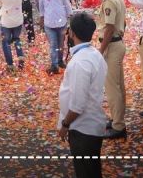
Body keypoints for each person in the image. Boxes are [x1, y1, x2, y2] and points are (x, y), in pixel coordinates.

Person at [57, 12, 107, 178]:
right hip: (91, 125)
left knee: (86, 172)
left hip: (83, 129)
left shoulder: (81, 62)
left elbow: (78, 105)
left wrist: (65, 124)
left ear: (72, 33)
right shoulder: (94, 54)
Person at [96, 0, 127, 140]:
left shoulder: (109, 0)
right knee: (118, 86)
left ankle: (118, 126)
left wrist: (101, 50)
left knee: (112, 88)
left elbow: (109, 28)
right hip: (116, 43)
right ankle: (117, 119)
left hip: (112, 45)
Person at [38, 0, 72, 74]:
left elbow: (67, 5)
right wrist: (41, 22)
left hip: (62, 23)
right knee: (53, 45)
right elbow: (41, 9)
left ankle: (60, 61)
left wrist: (70, 20)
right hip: (49, 24)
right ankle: (54, 66)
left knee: (61, 44)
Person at [0, 0, 25, 73]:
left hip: (6, 22)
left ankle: (10, 64)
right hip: (18, 20)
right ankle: (20, 56)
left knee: (6, 42)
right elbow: (22, 2)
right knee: (16, 39)